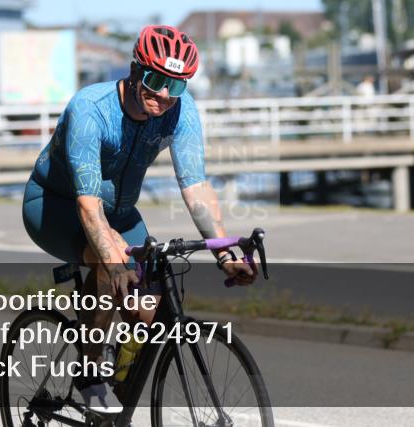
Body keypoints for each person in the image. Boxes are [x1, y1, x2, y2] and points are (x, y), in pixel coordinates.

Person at [22, 25, 256, 414]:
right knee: (109, 258)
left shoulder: (180, 110)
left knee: (149, 312)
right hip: (55, 205)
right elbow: (88, 206)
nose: (165, 95)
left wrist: (224, 251)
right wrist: (112, 262)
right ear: (134, 71)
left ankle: (118, 380)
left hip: (122, 213)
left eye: (176, 86)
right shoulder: (90, 109)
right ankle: (90, 375)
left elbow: (196, 187)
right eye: (155, 80)